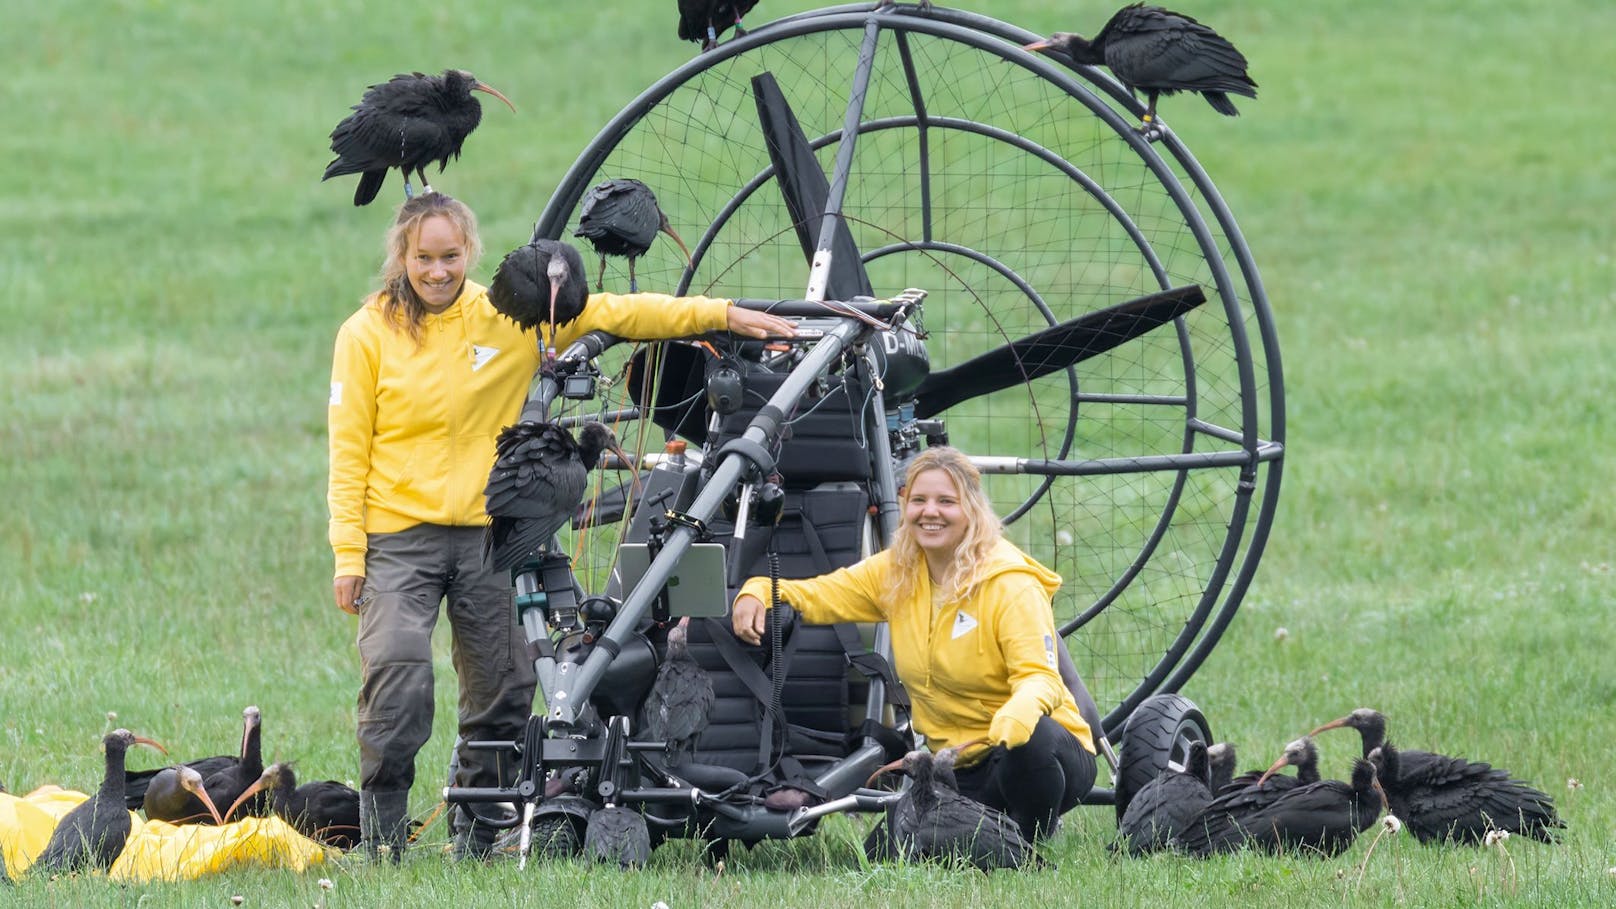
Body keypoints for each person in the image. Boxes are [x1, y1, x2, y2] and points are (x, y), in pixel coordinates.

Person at [328, 192, 793, 861]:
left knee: (505, 689)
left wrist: (721, 316)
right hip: (399, 538)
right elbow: (349, 452)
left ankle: (480, 834)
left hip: (495, 535)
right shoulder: (366, 333)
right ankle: (380, 838)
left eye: (450, 256)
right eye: (423, 257)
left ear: (471, 253)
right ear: (401, 255)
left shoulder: (510, 318)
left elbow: (621, 313)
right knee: (398, 672)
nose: (436, 271)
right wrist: (350, 554)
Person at [731, 446, 1096, 841]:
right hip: (957, 767)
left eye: (946, 501)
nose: (930, 512)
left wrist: (1018, 711)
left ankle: (1032, 836)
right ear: (904, 504)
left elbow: (1040, 679)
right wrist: (758, 592)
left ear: (972, 508)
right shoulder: (896, 572)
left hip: (1039, 751)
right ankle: (987, 830)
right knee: (884, 849)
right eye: (918, 500)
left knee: (1032, 739)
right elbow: (820, 594)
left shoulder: (1011, 584)